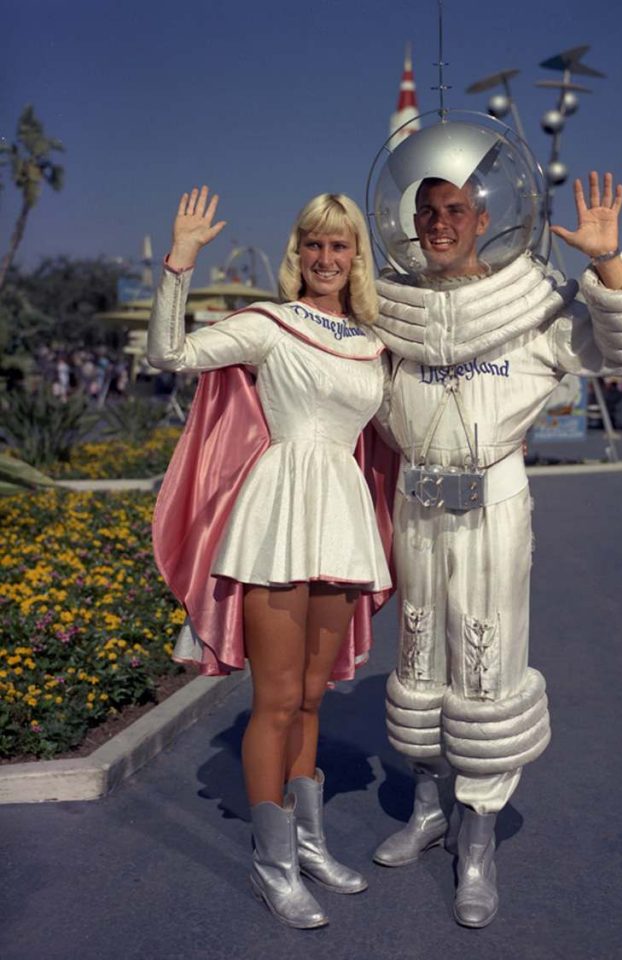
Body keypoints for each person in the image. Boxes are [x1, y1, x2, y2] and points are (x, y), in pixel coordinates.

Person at [372, 167, 622, 927]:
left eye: (456, 210)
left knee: (487, 662)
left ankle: (477, 841)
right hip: (417, 501)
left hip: (492, 501)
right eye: (428, 212)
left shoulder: (531, 304)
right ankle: (428, 808)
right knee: (416, 654)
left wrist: (608, 263)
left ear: (483, 218)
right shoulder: (393, 310)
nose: (441, 223)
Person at [148, 186, 392, 929]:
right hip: (278, 511)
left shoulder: (376, 341)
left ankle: (308, 844)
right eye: (314, 243)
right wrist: (180, 262)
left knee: (313, 698)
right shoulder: (269, 323)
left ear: (357, 255)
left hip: (342, 514)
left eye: (339, 244)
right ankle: (273, 863)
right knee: (278, 699)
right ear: (298, 251)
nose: (325, 256)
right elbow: (169, 354)